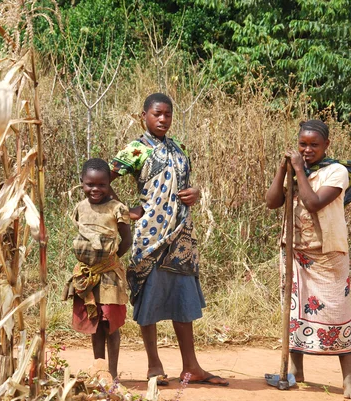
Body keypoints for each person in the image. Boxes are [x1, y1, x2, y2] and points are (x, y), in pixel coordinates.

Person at [108, 93, 229, 386]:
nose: (163, 120)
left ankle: (192, 367)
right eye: (157, 114)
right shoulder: (136, 149)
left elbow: (184, 186)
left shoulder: (177, 148)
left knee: (183, 298)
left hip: (181, 235)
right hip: (151, 236)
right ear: (144, 116)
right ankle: (154, 366)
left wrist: (196, 193)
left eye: (168, 115)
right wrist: (124, 211)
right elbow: (101, 180)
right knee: (148, 299)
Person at [265, 119, 351, 399]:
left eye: (314, 145)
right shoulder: (297, 171)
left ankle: (348, 381)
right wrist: (281, 171)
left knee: (338, 314)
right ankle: (296, 371)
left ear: (327, 146)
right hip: (295, 252)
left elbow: (312, 203)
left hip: (327, 255)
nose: (307, 150)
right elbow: (273, 201)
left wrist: (298, 169)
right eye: (302, 144)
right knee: (295, 313)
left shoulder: (337, 172)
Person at [63, 158, 133, 379]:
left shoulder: (117, 209)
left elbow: (127, 240)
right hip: (87, 275)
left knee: (109, 323)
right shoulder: (80, 208)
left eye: (102, 185)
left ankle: (112, 373)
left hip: (110, 274)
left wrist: (110, 262)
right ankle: (99, 370)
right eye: (90, 184)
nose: (95, 189)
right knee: (95, 323)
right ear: (82, 182)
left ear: (109, 185)